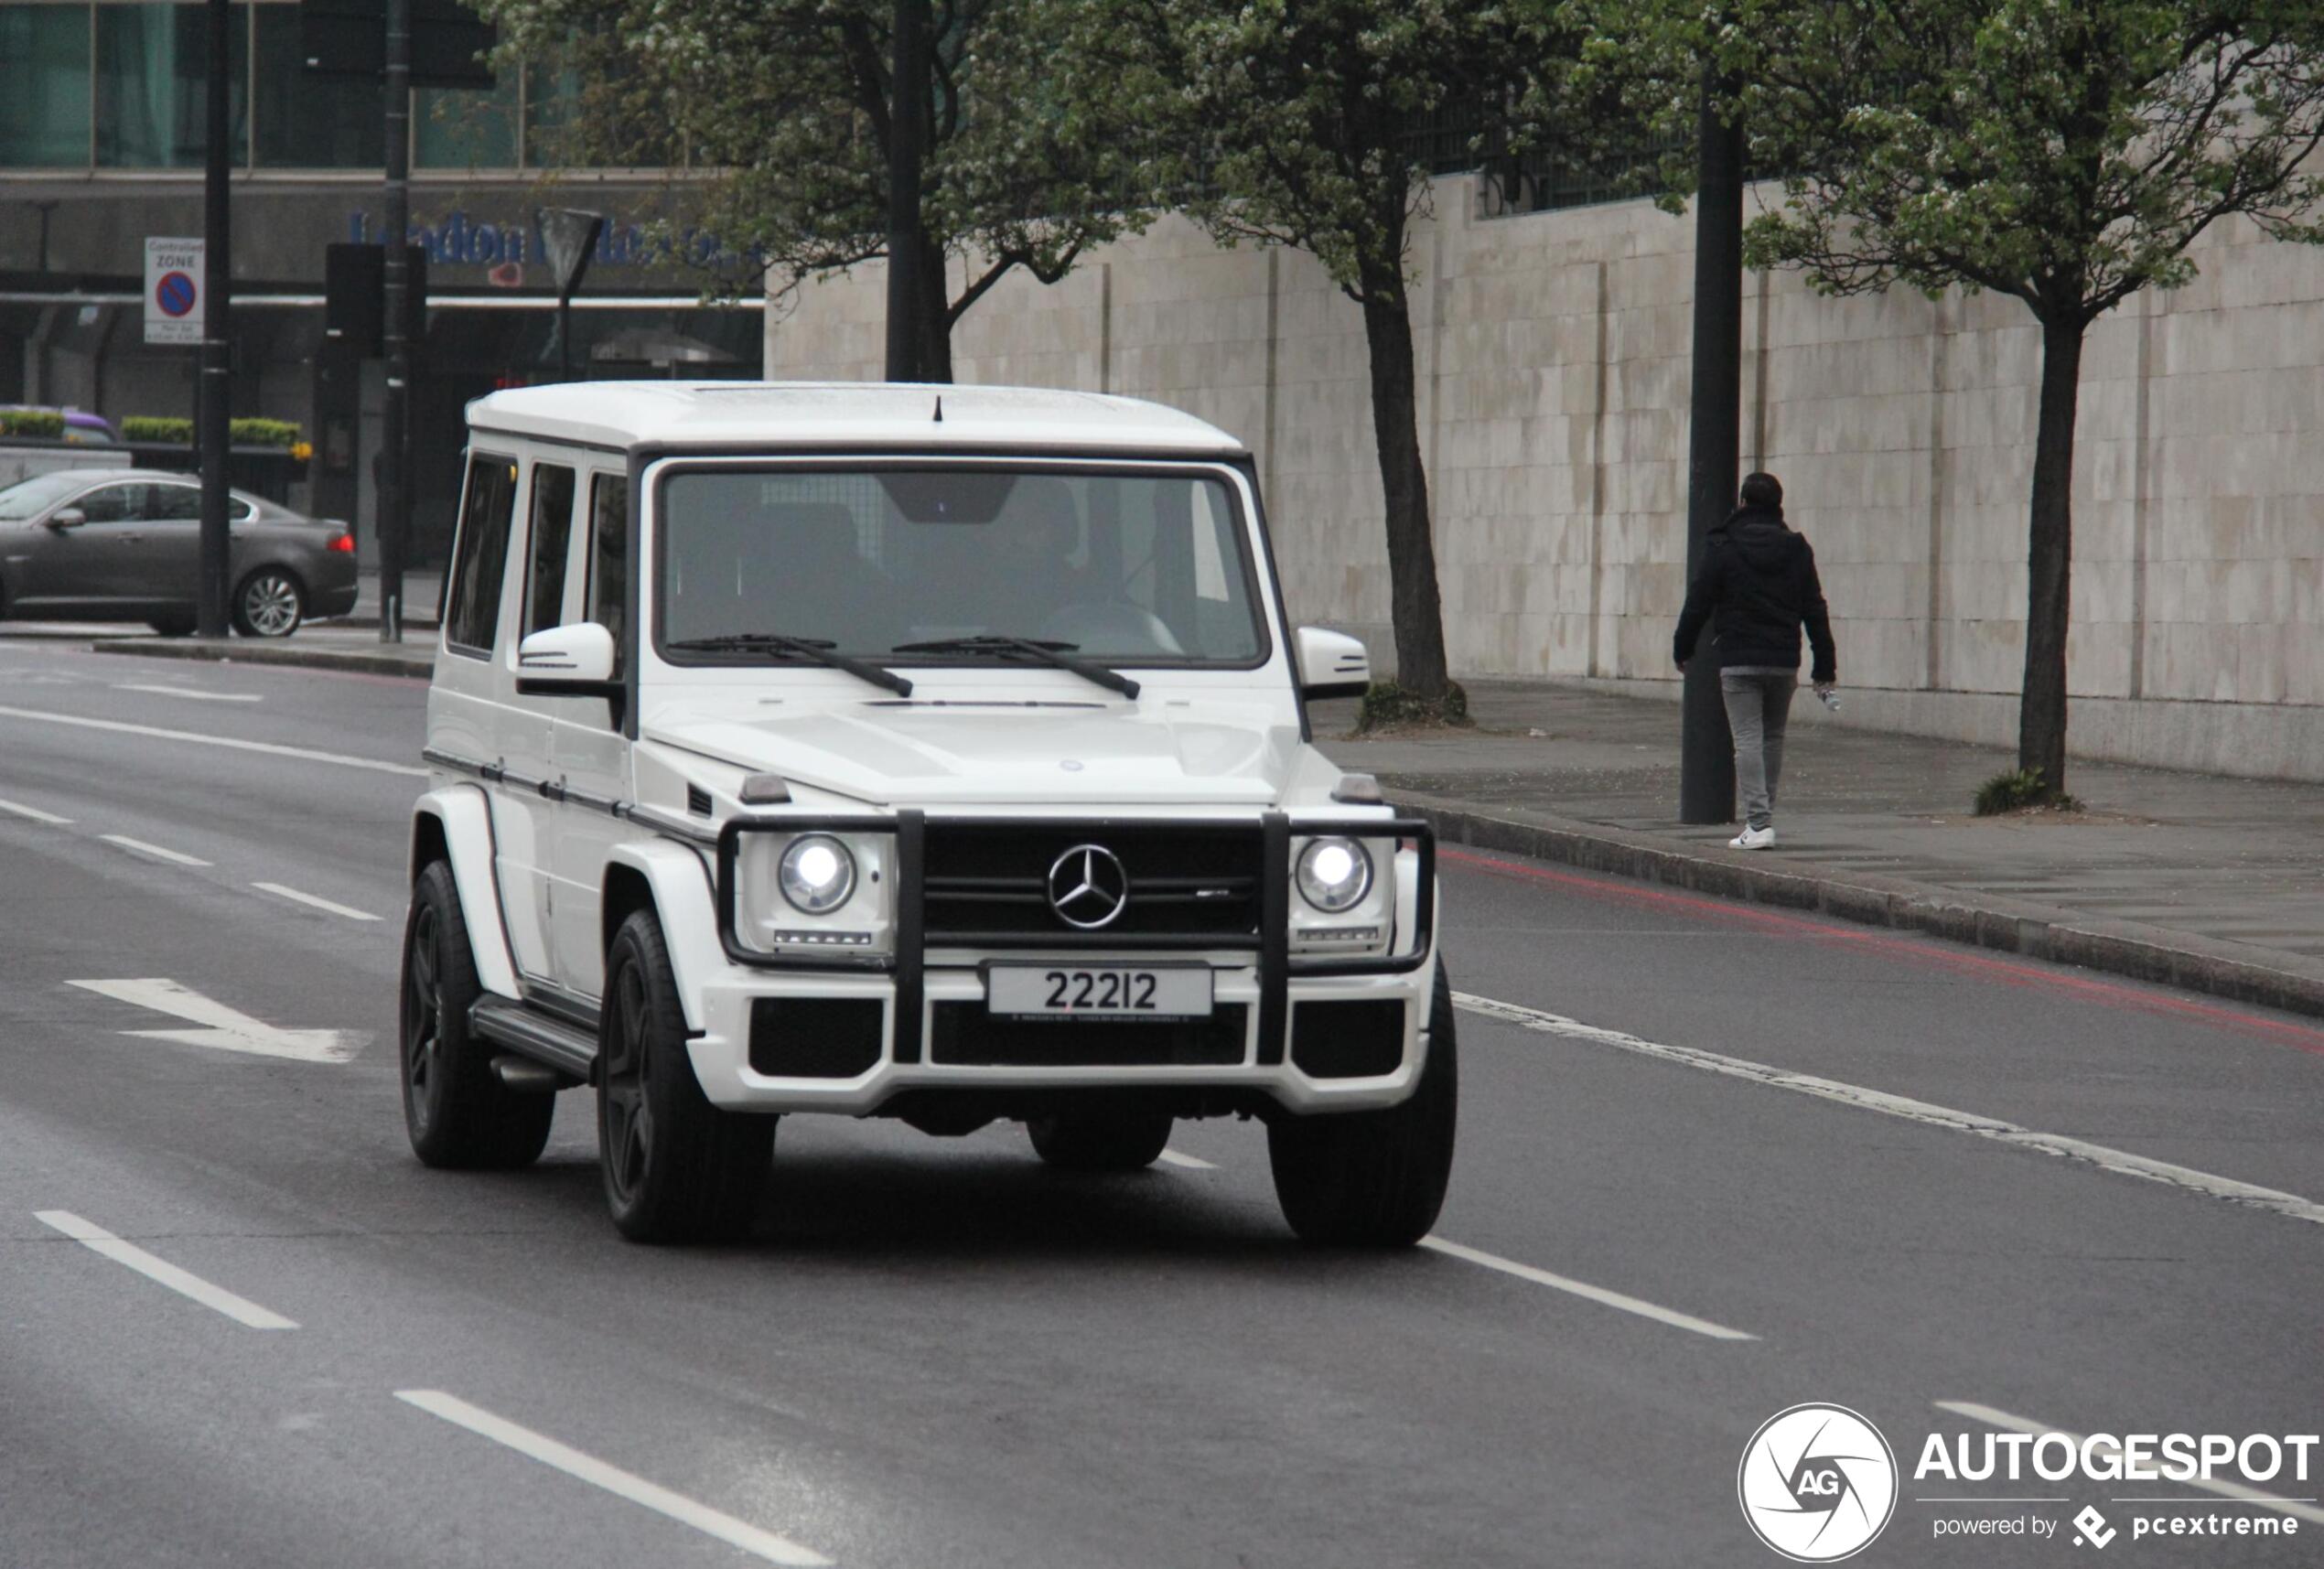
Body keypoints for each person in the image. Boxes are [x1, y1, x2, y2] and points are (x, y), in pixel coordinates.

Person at [1672, 471, 1837, 850]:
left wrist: (1683, 648)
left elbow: (1698, 601)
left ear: (1743, 502)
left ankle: (1758, 823)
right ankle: (1764, 819)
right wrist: (1824, 667)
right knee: (1772, 738)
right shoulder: (1796, 548)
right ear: (1778, 505)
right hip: (1783, 659)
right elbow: (1815, 608)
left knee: (1746, 737)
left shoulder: (1724, 546)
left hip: (1740, 658)